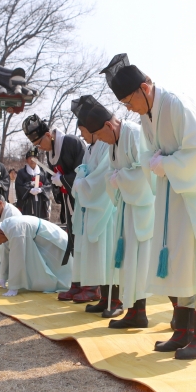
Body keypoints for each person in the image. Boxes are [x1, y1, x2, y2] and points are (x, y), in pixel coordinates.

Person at [102, 53, 196, 360]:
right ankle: (183, 330)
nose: (129, 109)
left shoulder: (175, 104)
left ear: (144, 89)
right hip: (175, 191)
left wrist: (166, 163)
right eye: (124, 105)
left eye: (129, 101)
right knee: (179, 258)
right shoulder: (147, 115)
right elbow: (150, 153)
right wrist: (156, 162)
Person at [91, 101, 156, 329]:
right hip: (129, 207)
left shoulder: (135, 134)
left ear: (109, 125)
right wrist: (116, 180)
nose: (99, 139)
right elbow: (113, 171)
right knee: (130, 262)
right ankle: (134, 311)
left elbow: (146, 172)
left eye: (99, 134)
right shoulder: (114, 142)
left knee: (142, 263)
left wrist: (120, 179)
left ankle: (143, 313)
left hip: (144, 208)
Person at [23, 114, 86, 299]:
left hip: (83, 201)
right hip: (69, 201)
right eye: (35, 145)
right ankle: (77, 282)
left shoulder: (72, 143)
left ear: (49, 134)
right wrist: (57, 184)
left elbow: (85, 173)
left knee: (84, 242)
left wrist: (64, 180)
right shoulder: (50, 154)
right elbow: (57, 179)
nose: (39, 147)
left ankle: (91, 285)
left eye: (39, 142)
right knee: (73, 241)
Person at [69, 96, 119, 312]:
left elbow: (103, 176)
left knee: (109, 256)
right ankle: (104, 298)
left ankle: (115, 300)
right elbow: (90, 172)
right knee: (100, 257)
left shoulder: (105, 145)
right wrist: (82, 178)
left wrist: (83, 182)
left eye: (83, 131)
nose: (82, 135)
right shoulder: (91, 148)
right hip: (94, 208)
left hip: (106, 208)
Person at [0, 217, 72, 297]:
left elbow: (17, 259)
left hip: (52, 241)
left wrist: (13, 286)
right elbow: (6, 253)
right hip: (42, 241)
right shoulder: (6, 228)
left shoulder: (15, 230)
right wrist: (3, 277)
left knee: (62, 272)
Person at [14, 148, 52, 219]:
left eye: (34, 157)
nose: (32, 160)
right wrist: (29, 190)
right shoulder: (21, 173)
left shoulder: (42, 172)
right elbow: (18, 186)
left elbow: (48, 185)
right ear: (26, 160)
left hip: (41, 204)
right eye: (30, 158)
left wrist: (41, 190)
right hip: (27, 204)